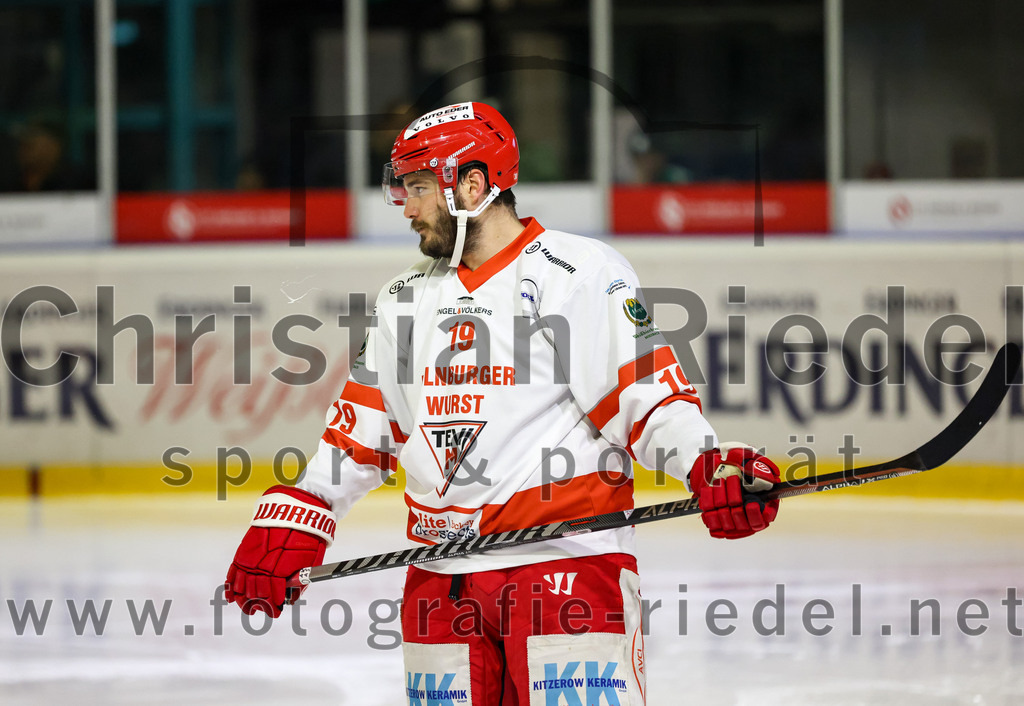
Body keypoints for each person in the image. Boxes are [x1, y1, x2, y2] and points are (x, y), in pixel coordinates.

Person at [225, 102, 781, 704]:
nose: (406, 207)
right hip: (439, 585)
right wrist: (295, 520)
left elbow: (648, 398)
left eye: (418, 187)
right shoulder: (403, 298)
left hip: (567, 573)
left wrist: (710, 464)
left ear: (473, 183)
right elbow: (358, 434)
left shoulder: (579, 272)